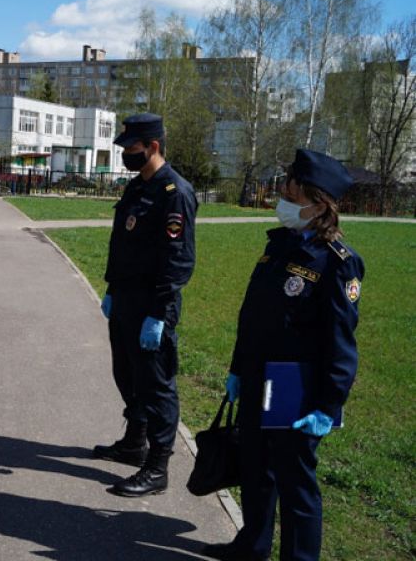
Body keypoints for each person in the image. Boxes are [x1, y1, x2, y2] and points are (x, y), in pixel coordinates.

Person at [202, 149, 364, 561]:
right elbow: (253, 316)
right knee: (256, 469)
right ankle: (251, 547)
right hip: (259, 375)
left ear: (316, 202)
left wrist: (329, 405)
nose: (283, 200)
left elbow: (341, 343)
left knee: (295, 482)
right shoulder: (279, 247)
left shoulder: (337, 264)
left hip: (293, 385)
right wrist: (239, 369)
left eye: (291, 193)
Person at [93, 113, 198, 497]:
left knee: (156, 386)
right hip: (124, 299)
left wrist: (159, 312)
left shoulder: (175, 193)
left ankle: (157, 467)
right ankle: (134, 443)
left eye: (132, 149)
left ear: (153, 147)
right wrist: (111, 288)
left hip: (152, 306)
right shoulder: (137, 188)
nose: (126, 155)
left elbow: (179, 261)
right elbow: (121, 244)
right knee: (127, 375)